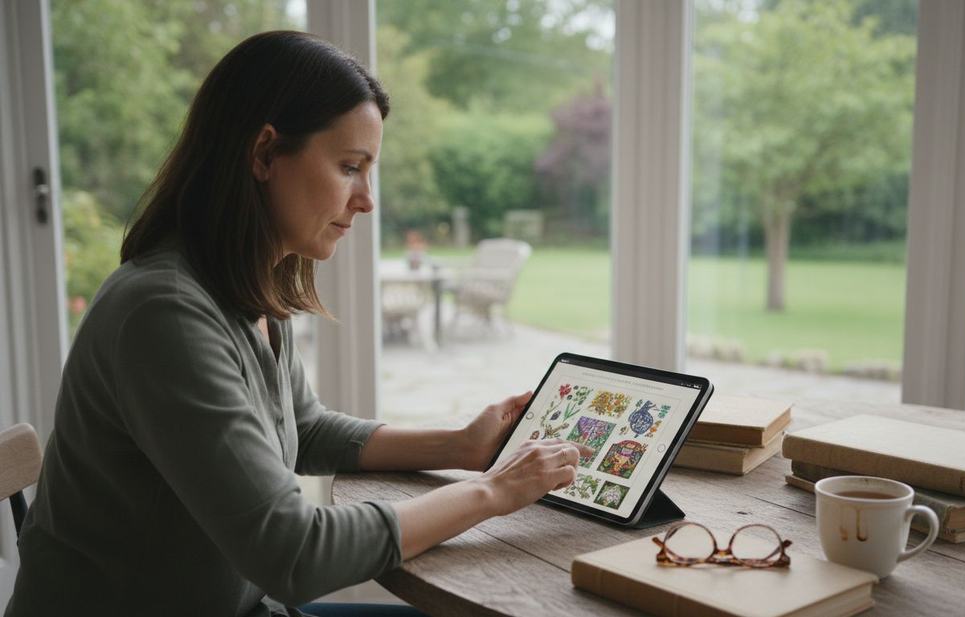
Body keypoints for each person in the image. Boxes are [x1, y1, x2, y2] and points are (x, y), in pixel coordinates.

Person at [4, 31, 591, 617]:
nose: (366, 200)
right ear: (263, 154)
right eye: (349, 167)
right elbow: (294, 552)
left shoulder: (245, 286)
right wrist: (494, 490)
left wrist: (460, 445)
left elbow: (302, 429)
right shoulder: (166, 314)